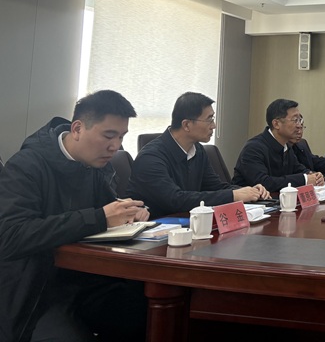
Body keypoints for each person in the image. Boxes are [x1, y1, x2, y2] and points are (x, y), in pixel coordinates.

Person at [0, 90, 148, 342]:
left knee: (146, 314)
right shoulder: (26, 166)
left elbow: (106, 211)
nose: (115, 146)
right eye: (108, 136)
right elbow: (10, 236)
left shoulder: (96, 166)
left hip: (87, 279)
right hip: (38, 290)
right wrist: (100, 217)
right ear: (77, 128)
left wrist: (128, 213)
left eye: (121, 137)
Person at [128, 92, 268, 218]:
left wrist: (249, 191)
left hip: (190, 224)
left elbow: (215, 186)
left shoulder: (197, 150)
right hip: (156, 229)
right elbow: (175, 200)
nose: (213, 125)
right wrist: (233, 195)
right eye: (209, 119)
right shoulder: (150, 157)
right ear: (187, 125)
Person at [232, 99, 324, 193]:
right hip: (251, 201)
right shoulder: (253, 148)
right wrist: (304, 179)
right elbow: (264, 183)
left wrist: (313, 175)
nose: (299, 125)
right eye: (295, 120)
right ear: (276, 124)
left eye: (300, 120)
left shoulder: (286, 147)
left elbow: (299, 169)